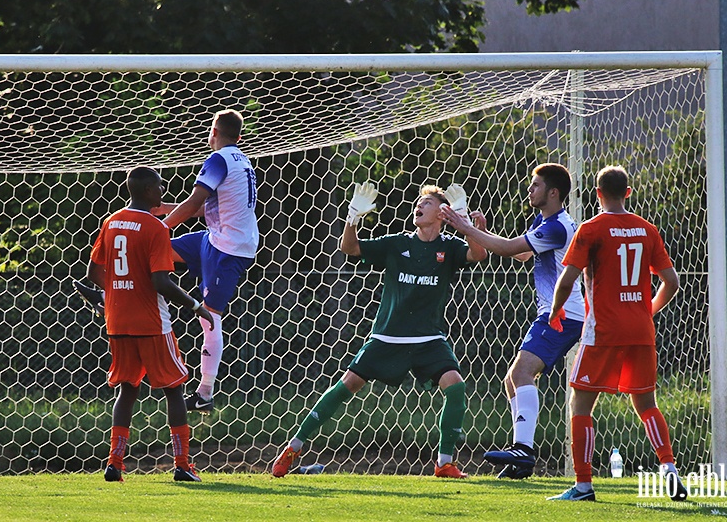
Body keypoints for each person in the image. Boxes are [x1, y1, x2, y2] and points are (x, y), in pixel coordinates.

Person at [271, 181, 488, 479]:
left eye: (426, 203)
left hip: (428, 339)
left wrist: (465, 224)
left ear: (442, 214)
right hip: (387, 336)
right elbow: (349, 248)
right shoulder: (398, 243)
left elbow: (478, 255)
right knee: (347, 385)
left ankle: (444, 463)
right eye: (419, 202)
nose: (419, 206)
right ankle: (293, 447)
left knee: (457, 386)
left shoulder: (449, 247)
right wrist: (352, 219)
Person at [545, 165, 687, 502]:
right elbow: (672, 281)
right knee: (647, 404)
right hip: (641, 331)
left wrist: (554, 311)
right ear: (628, 192)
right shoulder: (647, 229)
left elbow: (568, 279)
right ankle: (668, 468)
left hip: (604, 331)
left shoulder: (591, 229)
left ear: (597, 194)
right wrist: (646, 310)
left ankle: (583, 486)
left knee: (580, 404)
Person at [441, 163, 586, 479]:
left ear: (553, 192)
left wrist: (464, 227)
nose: (529, 190)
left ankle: (524, 451)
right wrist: (482, 228)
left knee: (521, 373)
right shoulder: (546, 221)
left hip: (563, 315)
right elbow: (522, 254)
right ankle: (522, 456)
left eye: (535, 186)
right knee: (513, 379)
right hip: (553, 313)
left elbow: (509, 249)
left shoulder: (557, 227)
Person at [85, 166, 213, 483]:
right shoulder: (155, 228)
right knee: (174, 388)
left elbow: (93, 272)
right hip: (151, 322)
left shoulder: (111, 221)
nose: (161, 192)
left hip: (117, 320)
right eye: (158, 186)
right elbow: (160, 281)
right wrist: (196, 305)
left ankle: (114, 463)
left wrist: (109, 296)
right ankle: (182, 465)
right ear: (145, 190)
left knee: (127, 390)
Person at [147, 109, 259, 414]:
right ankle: (109, 296)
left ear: (213, 132)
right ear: (239, 136)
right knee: (153, 254)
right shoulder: (242, 160)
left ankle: (205, 393)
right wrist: (161, 210)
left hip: (229, 249)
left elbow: (195, 202)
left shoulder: (218, 159)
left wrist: (160, 226)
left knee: (209, 316)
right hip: (215, 237)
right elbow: (202, 207)